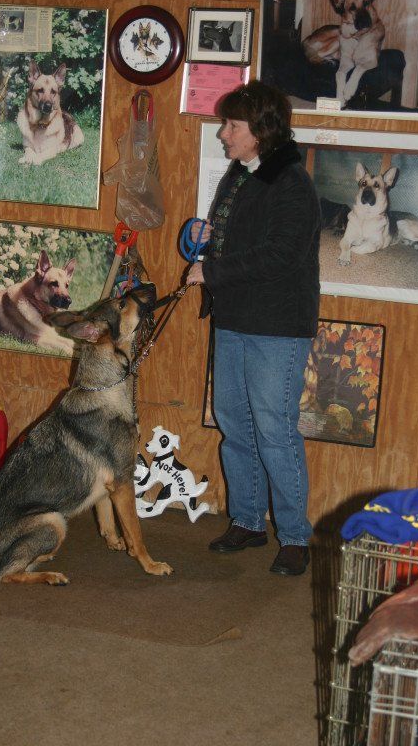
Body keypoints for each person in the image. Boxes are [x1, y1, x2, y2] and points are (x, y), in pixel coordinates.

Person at [185, 79, 321, 576]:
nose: (223, 134)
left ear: (260, 131)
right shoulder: (241, 172)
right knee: (234, 425)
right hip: (235, 318)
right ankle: (247, 521)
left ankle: (294, 537)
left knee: (274, 430)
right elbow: (239, 236)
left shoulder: (293, 182)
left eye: (232, 125)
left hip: (278, 326)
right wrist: (207, 234)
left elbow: (282, 254)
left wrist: (214, 271)